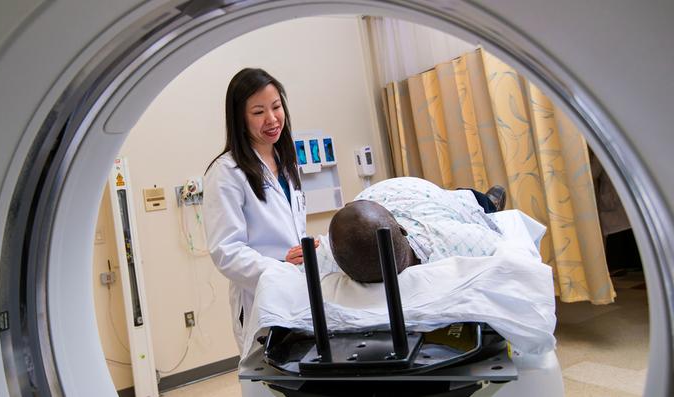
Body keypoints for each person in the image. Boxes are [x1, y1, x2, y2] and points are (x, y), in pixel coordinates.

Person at [203, 68, 316, 349]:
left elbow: (289, 229)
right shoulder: (226, 172)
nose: (272, 118)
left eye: (276, 107)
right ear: (240, 118)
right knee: (265, 381)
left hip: (297, 289)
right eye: (258, 112)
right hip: (259, 298)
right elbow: (226, 251)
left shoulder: (288, 163)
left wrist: (309, 248)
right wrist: (280, 268)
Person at [326, 177, 506, 283]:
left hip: (386, 196)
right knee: (467, 202)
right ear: (403, 229)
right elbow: (506, 247)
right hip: (423, 197)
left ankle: (487, 202)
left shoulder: (325, 253)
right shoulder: (458, 241)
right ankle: (487, 202)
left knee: (467, 199)